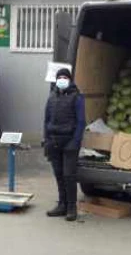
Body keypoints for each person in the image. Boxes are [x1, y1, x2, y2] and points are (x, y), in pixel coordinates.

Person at [43, 68, 86, 222]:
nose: (61, 79)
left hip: (69, 142)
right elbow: (46, 120)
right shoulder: (52, 97)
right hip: (54, 141)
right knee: (59, 174)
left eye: (64, 77)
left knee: (69, 175)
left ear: (69, 80)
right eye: (59, 77)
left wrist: (75, 142)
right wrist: (46, 139)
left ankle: (71, 207)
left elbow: (81, 122)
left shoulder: (77, 97)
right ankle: (61, 204)